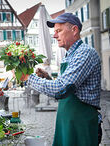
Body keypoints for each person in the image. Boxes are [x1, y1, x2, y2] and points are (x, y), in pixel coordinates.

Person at [22, 13, 102, 146]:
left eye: (58, 31)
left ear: (74, 30)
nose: (54, 36)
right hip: (67, 121)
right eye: (54, 32)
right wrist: (47, 78)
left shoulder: (84, 53)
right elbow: (67, 88)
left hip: (80, 123)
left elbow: (61, 89)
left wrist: (28, 78)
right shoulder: (69, 56)